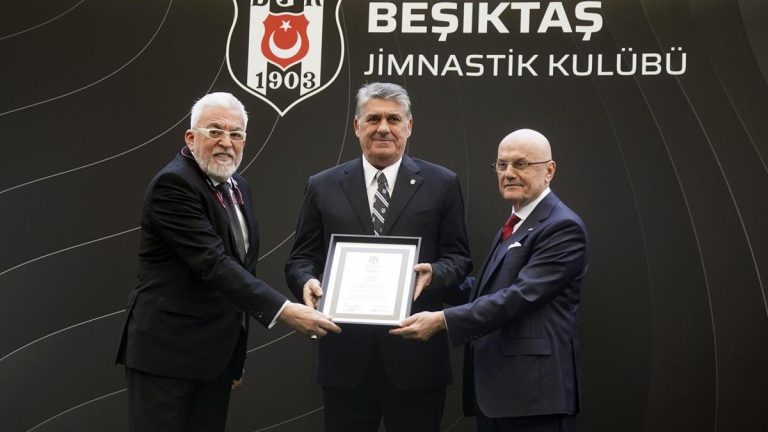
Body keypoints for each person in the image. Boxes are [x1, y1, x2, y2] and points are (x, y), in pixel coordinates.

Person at [115, 92, 340, 432]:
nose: (226, 142)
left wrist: (234, 356)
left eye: (236, 134)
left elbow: (242, 267)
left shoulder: (238, 186)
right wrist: (284, 311)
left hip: (214, 360)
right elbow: (214, 263)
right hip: (166, 357)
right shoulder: (173, 185)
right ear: (191, 137)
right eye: (215, 131)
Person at [285, 82, 472, 432]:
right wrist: (306, 281)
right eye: (373, 119)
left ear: (409, 126)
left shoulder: (442, 183)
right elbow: (301, 258)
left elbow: (459, 258)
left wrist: (434, 273)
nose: (383, 128)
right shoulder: (322, 185)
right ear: (357, 126)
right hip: (345, 360)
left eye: (393, 119)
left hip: (416, 359)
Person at [391, 129, 589, 432]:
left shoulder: (562, 227)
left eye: (521, 164)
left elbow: (518, 297)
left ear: (549, 170)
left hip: (535, 398)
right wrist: (435, 278)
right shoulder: (516, 222)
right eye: (502, 164)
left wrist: (443, 320)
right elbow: (489, 290)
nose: (508, 173)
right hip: (501, 393)